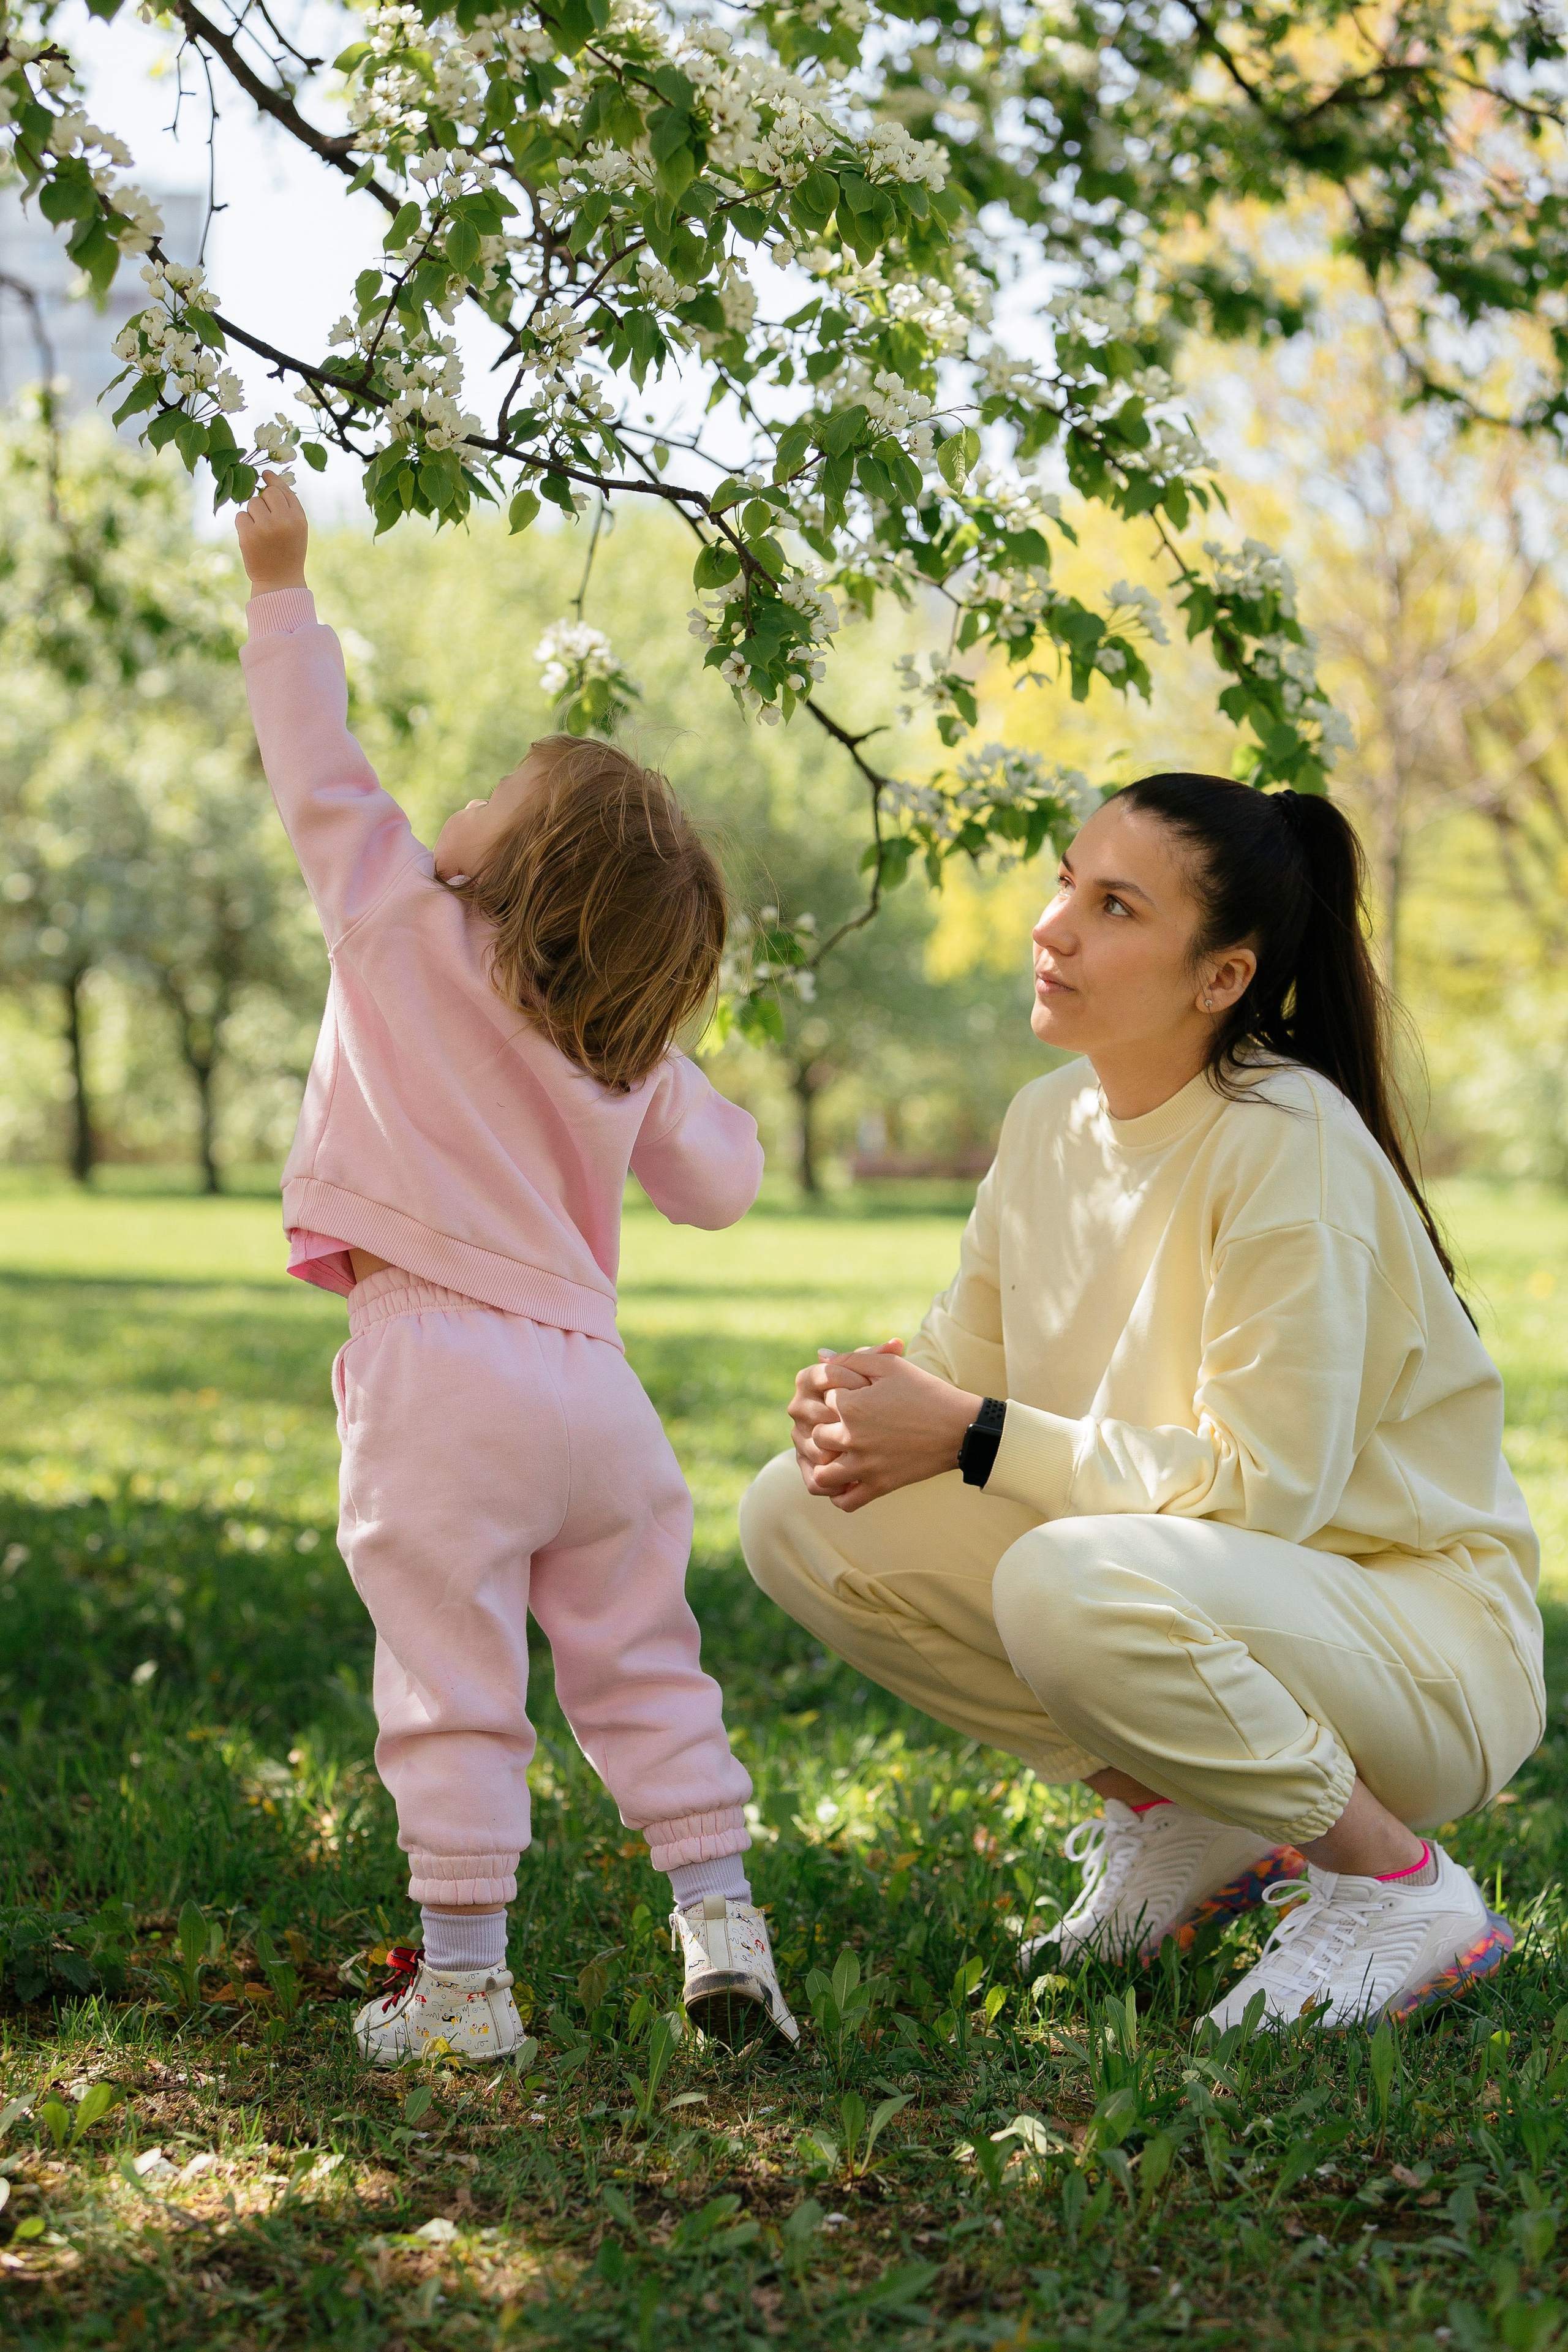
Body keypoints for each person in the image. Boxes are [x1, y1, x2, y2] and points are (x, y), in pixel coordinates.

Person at [741, 772, 1544, 2031]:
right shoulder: (1045, 1122)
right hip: (1206, 1603)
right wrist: (867, 1402)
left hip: (1418, 1644)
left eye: (1112, 905)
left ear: (1218, 977)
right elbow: (961, 1373)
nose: (1051, 927)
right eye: (1065, 882)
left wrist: (967, 1432)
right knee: (799, 1514)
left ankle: (1394, 1884)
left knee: (1066, 1581)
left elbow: (1262, 1492)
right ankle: (1183, 1822)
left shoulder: (1288, 1139)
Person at [235, 474, 797, 2062]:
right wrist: (655, 1054)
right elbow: (729, 1182)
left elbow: (316, 772)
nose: (457, 803)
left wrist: (283, 587)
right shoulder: (620, 1046)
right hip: (595, 1399)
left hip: (438, 1383)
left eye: (495, 789)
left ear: (526, 861)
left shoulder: (399, 925)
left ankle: (469, 1987)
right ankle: (722, 1923)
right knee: (645, 1668)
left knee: (450, 1676)